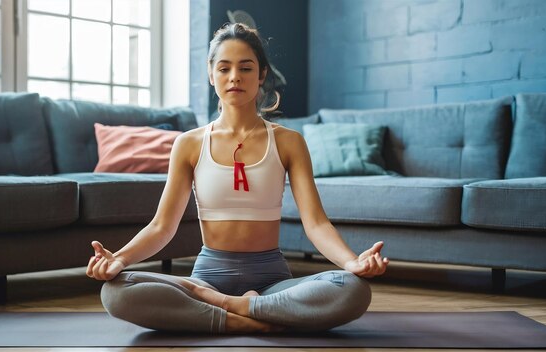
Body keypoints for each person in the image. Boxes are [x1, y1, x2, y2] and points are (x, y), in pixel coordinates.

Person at [87, 22, 389, 333]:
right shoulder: (189, 144)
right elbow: (162, 227)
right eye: (224, 68)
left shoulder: (288, 142)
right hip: (206, 279)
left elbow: (316, 224)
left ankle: (229, 308)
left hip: (272, 280)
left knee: (353, 289)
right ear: (211, 74)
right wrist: (119, 259)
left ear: (261, 75)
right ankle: (256, 320)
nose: (234, 77)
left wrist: (353, 263)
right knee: (116, 292)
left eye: (246, 68)